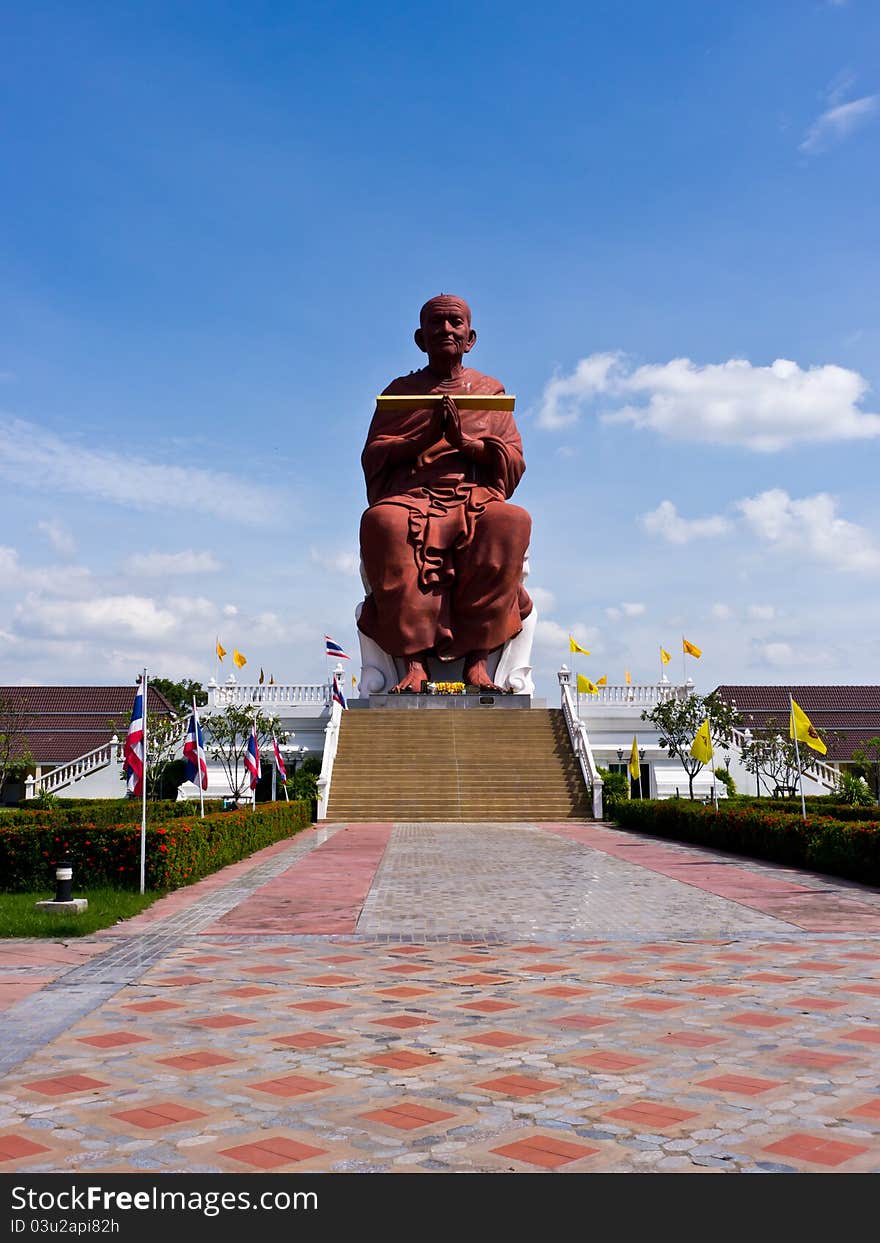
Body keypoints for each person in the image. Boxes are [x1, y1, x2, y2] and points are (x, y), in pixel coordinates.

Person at [357, 294, 533, 692]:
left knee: (511, 521)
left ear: (470, 338)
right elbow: (375, 456)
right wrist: (423, 436)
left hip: (473, 494)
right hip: (412, 495)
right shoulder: (400, 393)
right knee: (382, 523)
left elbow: (514, 457)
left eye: (455, 323)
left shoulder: (489, 391)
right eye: (437, 323)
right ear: (420, 338)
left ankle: (477, 660)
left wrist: (465, 443)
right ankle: (414, 664)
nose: (446, 330)